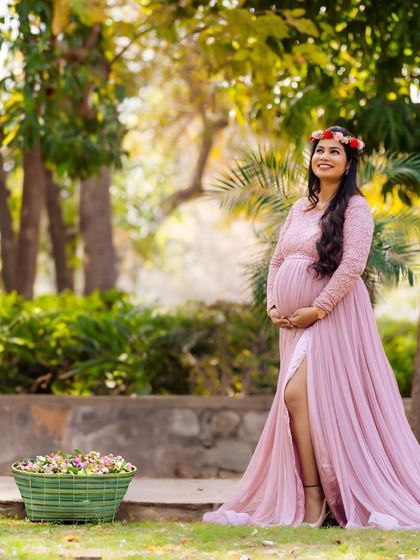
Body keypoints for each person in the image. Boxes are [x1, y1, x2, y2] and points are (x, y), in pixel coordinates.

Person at [203, 125, 420, 529]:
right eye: (320, 150)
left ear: (348, 161)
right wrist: (272, 301)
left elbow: (353, 265)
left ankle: (323, 494)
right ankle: (313, 494)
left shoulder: (355, 208)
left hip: (332, 318)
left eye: (335, 152)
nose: (325, 157)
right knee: (302, 400)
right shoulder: (300, 207)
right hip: (292, 324)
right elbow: (276, 259)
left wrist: (316, 309)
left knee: (297, 393)